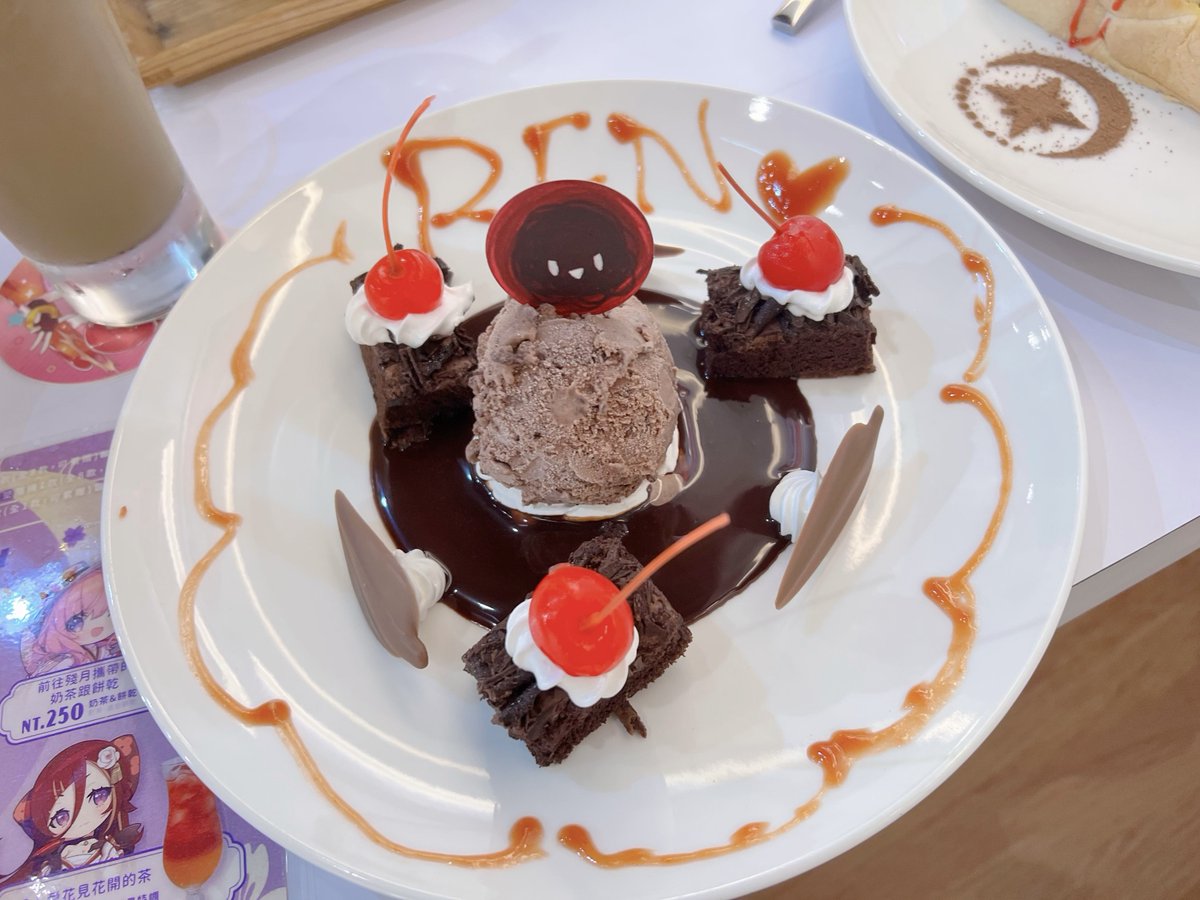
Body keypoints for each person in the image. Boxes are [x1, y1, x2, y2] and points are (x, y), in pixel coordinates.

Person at [0, 735, 142, 885]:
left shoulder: (108, 850)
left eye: (98, 795)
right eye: (61, 817)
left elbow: (119, 881)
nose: (83, 816)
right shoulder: (53, 863)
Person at [20, 567, 120, 676]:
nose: (98, 629)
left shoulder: (108, 646)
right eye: (76, 622)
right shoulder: (63, 660)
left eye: (110, 614)